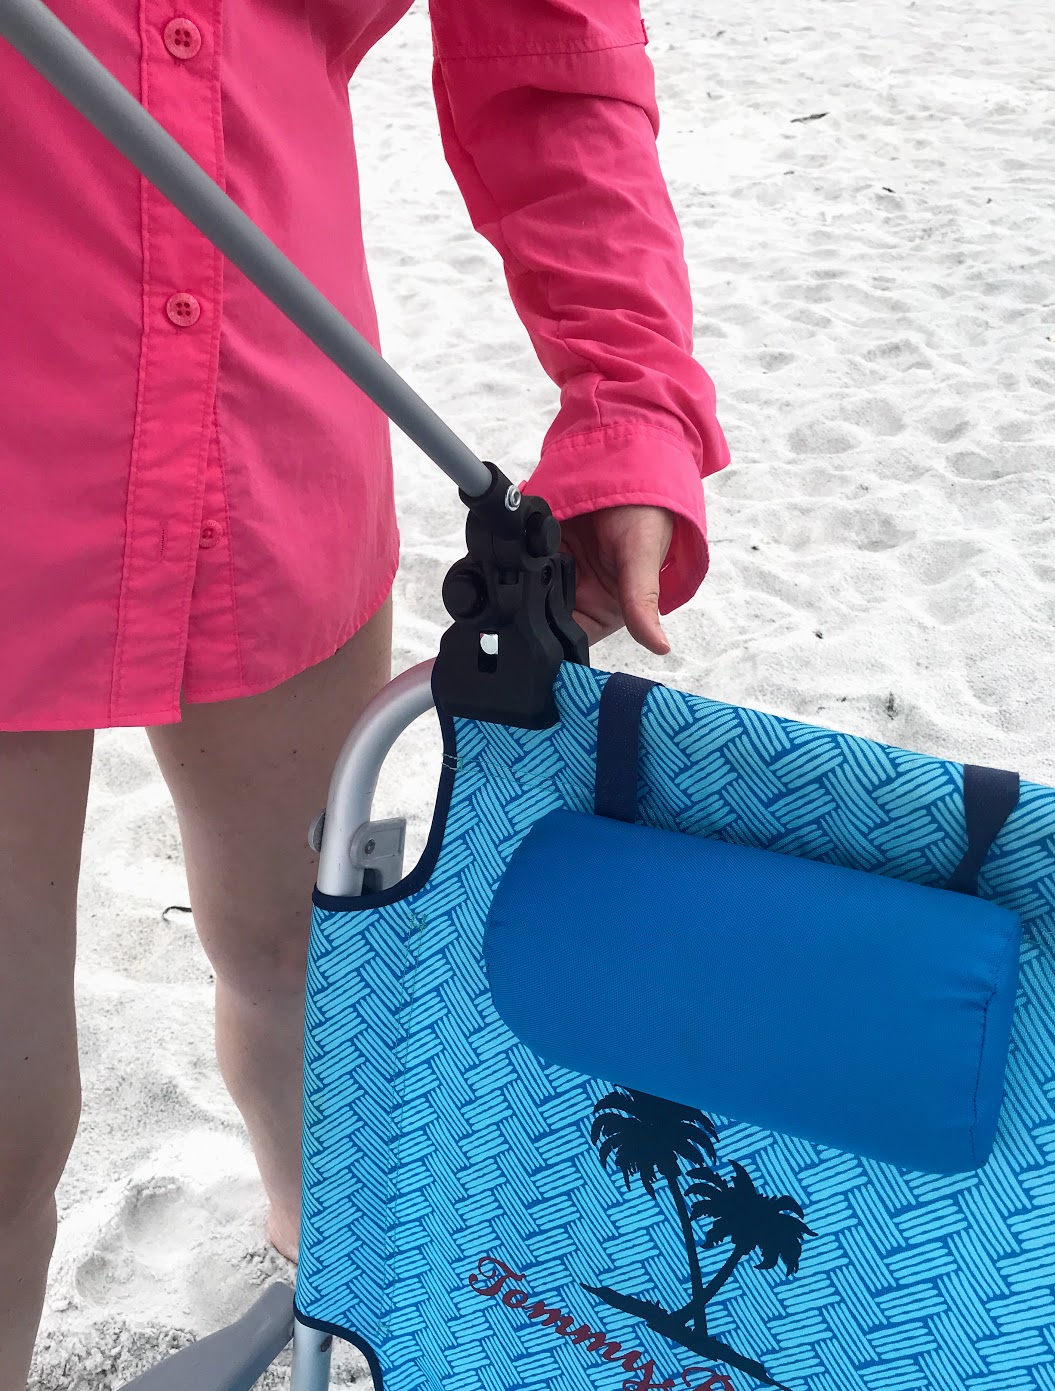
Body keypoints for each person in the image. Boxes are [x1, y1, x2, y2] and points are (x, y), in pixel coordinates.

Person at [0, 0, 729, 1383]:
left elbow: (547, 48)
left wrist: (627, 398)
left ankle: (322, 1281)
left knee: (308, 957)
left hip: (263, 425)